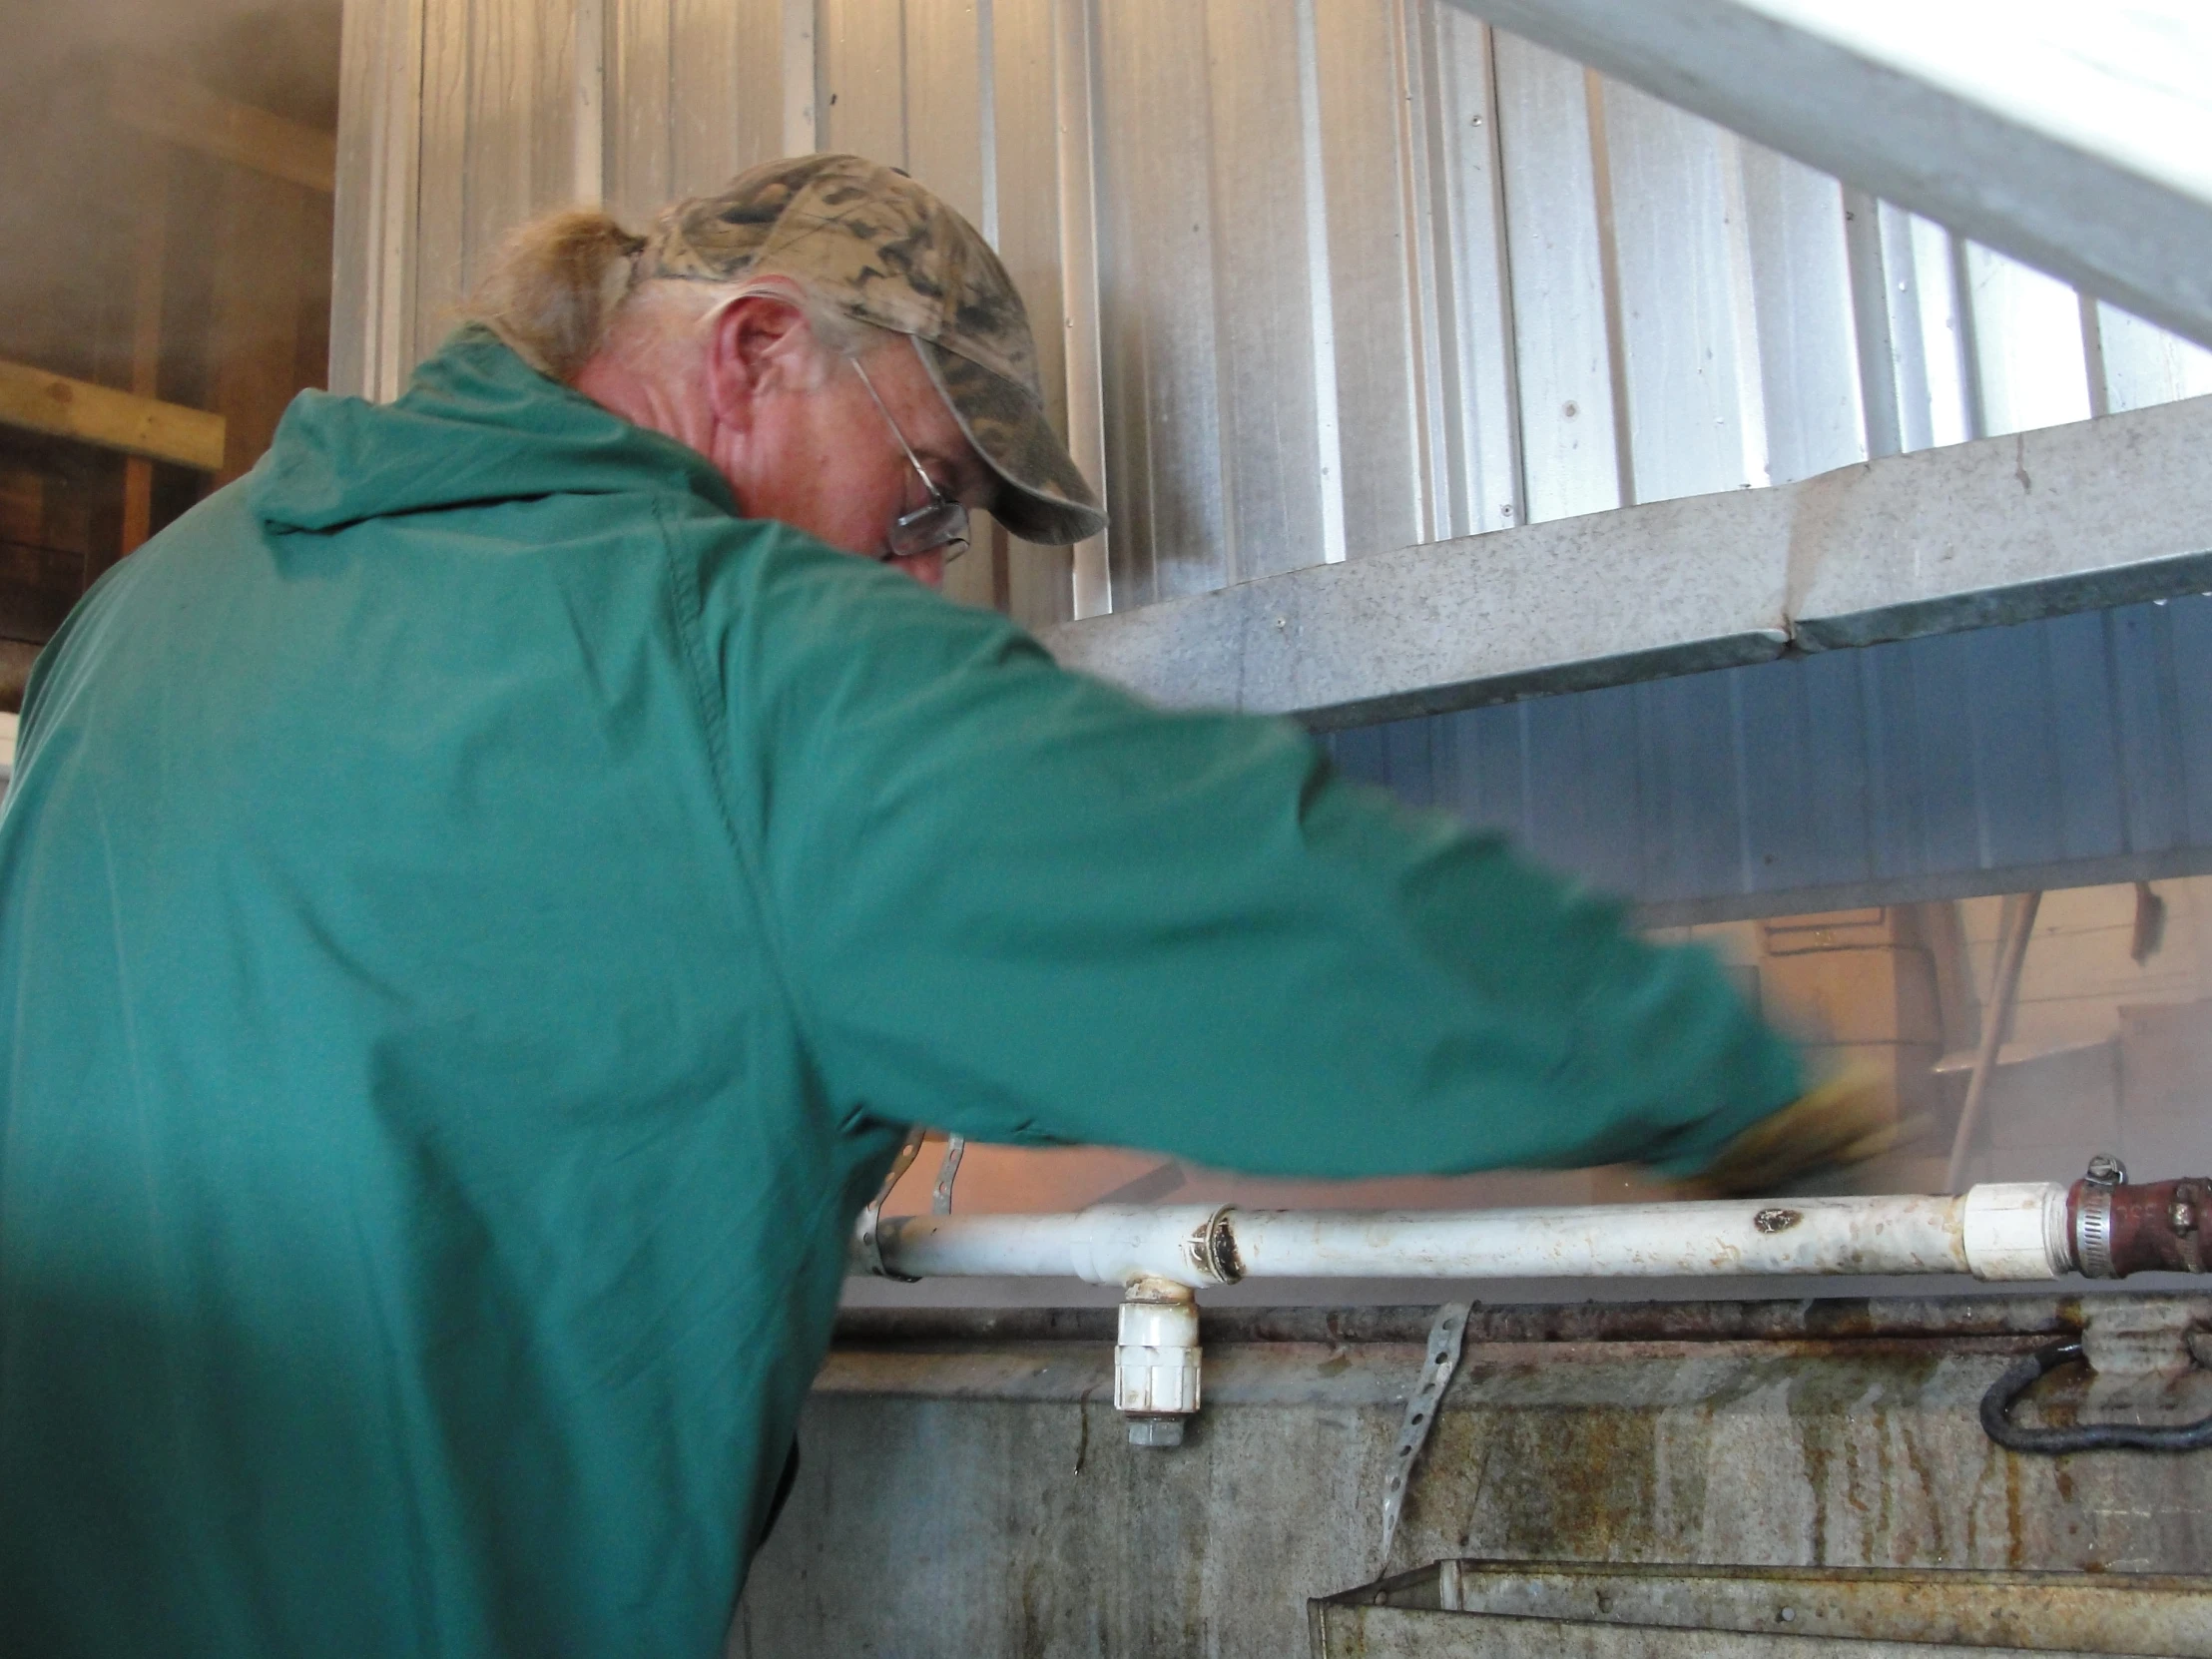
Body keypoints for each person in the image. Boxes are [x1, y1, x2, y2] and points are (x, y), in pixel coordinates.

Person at [0, 153, 1873, 1656]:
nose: (920, 573)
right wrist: (1726, 1076)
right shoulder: (724, 659)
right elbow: (1240, 909)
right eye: (922, 497)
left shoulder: (148, 608)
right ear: (746, 353)